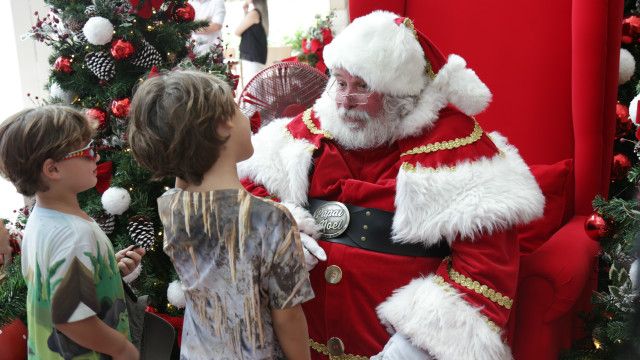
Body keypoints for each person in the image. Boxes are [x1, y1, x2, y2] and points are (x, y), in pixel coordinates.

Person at [239, 10, 545, 360]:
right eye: (340, 83)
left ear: (399, 95)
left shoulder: (460, 152)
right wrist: (282, 226)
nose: (344, 100)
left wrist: (407, 353)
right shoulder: (309, 130)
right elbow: (248, 190)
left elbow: (485, 271)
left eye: (362, 86)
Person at [127, 70, 313, 360]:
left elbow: (183, 179)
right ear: (223, 125)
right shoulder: (270, 219)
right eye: (237, 107)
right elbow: (287, 316)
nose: (245, 116)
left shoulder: (172, 206)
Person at [0, 105, 145, 359]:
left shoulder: (40, 220)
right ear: (53, 169)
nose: (97, 157)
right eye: (88, 151)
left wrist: (107, 268)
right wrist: (122, 349)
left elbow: (56, 285)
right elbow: (71, 319)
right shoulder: (73, 235)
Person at [235, 0, 268, 83]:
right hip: (255, 57)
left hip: (252, 58)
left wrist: (246, 8)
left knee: (252, 88)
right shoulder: (258, 13)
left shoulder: (254, 13)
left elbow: (237, 31)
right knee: (255, 87)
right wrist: (245, 11)